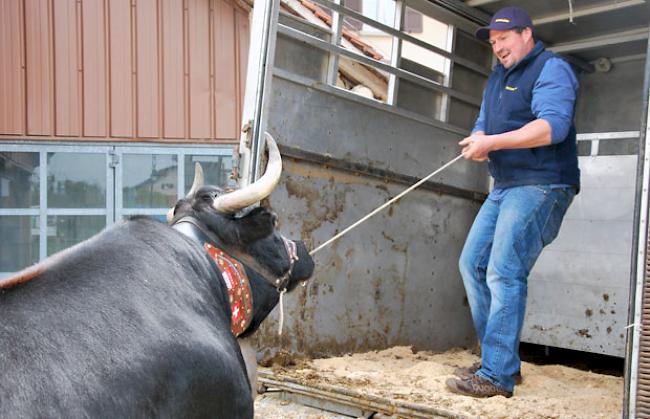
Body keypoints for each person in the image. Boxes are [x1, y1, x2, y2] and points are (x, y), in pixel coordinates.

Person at [445, 6, 580, 398]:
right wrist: (478, 139)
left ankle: (496, 376)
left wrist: (494, 142)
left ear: (526, 34)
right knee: (472, 263)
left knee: (503, 270)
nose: (497, 47)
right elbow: (484, 122)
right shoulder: (496, 78)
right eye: (493, 42)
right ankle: (500, 360)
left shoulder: (551, 69)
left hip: (542, 184)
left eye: (503, 39)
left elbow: (551, 127)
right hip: (505, 185)